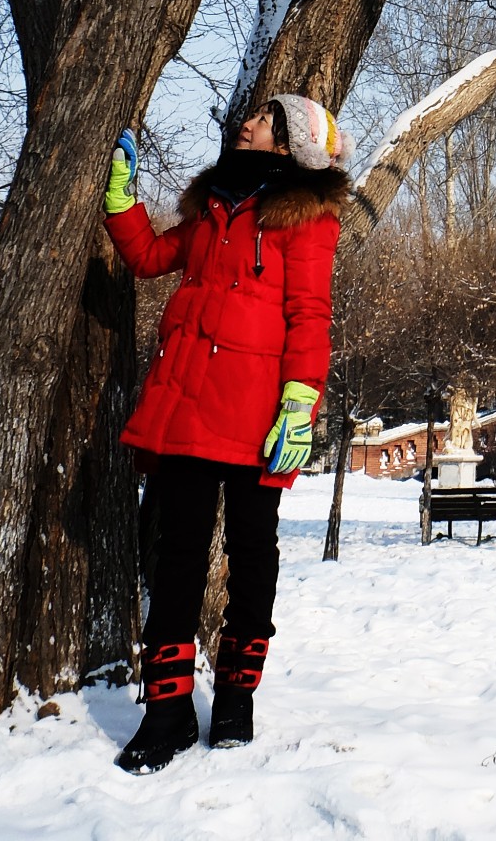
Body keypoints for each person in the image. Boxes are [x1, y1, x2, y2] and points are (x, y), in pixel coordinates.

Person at [103, 94, 354, 773]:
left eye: (266, 120)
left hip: (257, 419)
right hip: (187, 410)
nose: (248, 122)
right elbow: (152, 257)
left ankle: (237, 699)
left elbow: (310, 312)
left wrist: (300, 403)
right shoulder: (213, 206)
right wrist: (120, 197)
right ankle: (167, 712)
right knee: (175, 557)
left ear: (289, 145)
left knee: (252, 555)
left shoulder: (306, 220)